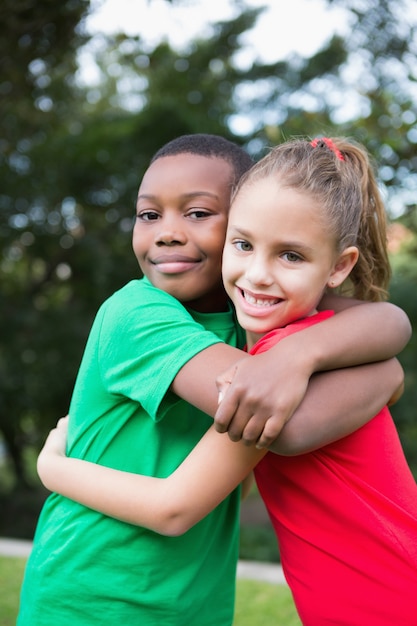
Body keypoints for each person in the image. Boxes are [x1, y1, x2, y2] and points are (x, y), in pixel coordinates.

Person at [22, 134, 410, 626]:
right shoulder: (137, 315)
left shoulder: (256, 312)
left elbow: (388, 323)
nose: (166, 233)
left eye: (199, 213)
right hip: (92, 599)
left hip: (195, 604)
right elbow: (273, 420)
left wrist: (303, 356)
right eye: (149, 214)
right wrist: (372, 369)